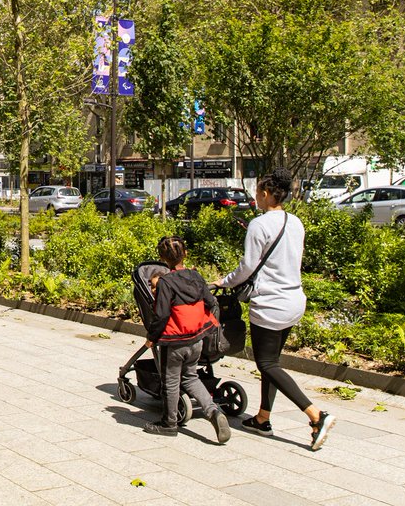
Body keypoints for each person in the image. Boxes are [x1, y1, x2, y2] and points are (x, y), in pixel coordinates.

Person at [214, 167, 336, 451]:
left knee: (267, 363)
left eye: (258, 192)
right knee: (273, 362)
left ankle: (316, 416)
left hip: (271, 304)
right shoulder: (296, 222)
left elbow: (247, 267)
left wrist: (225, 281)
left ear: (267, 194)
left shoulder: (259, 224)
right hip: (294, 300)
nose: (256, 197)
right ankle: (262, 418)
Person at [144, 236, 231, 443]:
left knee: (171, 382)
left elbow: (162, 314)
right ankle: (213, 412)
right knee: (191, 377)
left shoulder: (165, 281)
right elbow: (211, 302)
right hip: (196, 340)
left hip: (174, 342)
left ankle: (169, 423)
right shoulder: (195, 276)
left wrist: (152, 337)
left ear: (162, 258)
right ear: (186, 254)